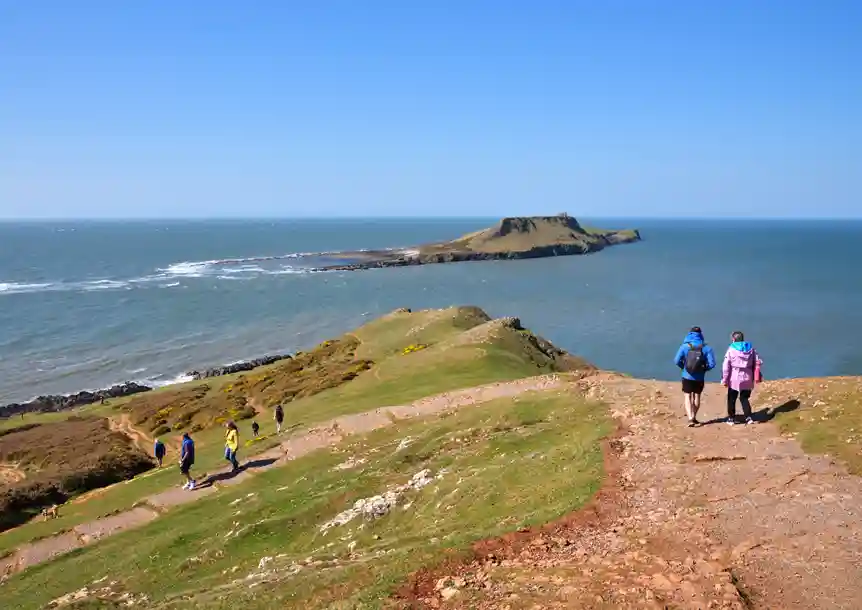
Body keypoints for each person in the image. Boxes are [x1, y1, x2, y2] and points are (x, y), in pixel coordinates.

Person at [674, 326, 717, 427]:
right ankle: (694, 416)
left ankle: (690, 418)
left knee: (687, 396)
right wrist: (704, 370)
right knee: (697, 396)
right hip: (699, 377)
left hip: (687, 375)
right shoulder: (706, 348)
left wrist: (683, 368)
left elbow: (676, 361)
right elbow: (712, 364)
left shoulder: (684, 346)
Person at [721, 331, 763, 426]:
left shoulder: (731, 349)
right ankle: (748, 417)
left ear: (733, 339)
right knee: (744, 398)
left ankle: (731, 418)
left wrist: (724, 379)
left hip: (734, 377)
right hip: (747, 376)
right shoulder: (751, 349)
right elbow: (757, 361)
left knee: (731, 398)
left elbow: (726, 366)